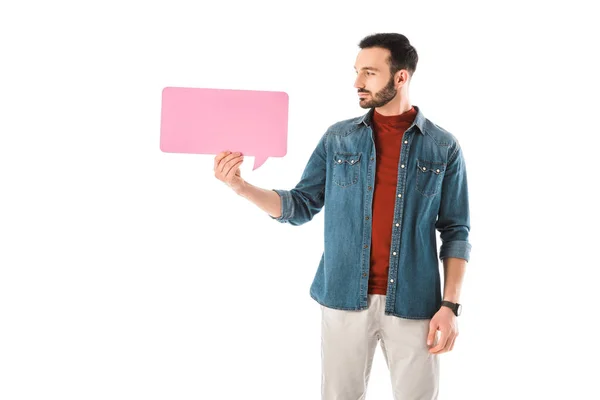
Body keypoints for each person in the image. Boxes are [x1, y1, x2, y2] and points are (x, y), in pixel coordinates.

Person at [213, 33, 471, 400]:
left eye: (369, 72)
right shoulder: (338, 139)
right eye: (356, 72)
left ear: (400, 78)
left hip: (416, 303)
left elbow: (456, 230)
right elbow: (301, 205)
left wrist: (450, 306)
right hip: (343, 297)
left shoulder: (443, 146)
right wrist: (241, 187)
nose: (357, 83)